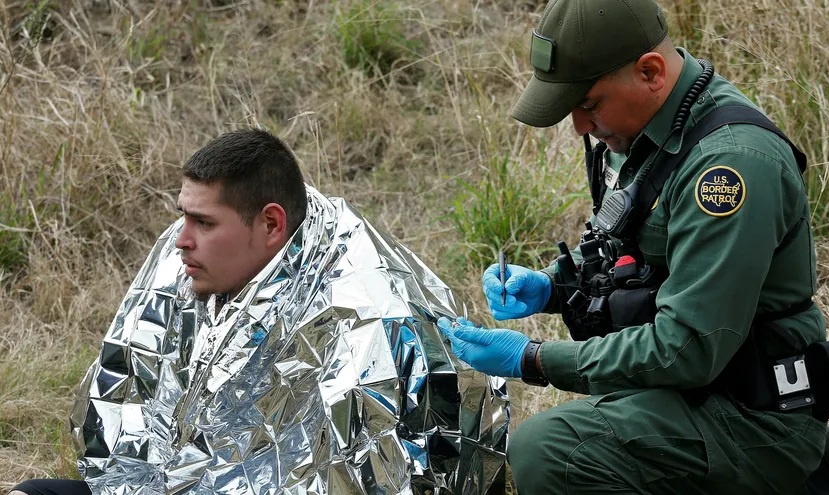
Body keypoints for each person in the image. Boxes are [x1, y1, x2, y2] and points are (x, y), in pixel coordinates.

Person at [438, 0, 829, 493]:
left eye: (589, 104)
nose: (577, 126)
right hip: (704, 390)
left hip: (754, 418)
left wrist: (533, 359)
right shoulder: (664, 127)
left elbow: (685, 349)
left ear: (651, 72)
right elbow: (642, 257)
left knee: (552, 451)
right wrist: (553, 287)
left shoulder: (730, 168)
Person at [12, 129, 509, 494]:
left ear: (271, 223)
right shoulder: (193, 256)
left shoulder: (365, 318)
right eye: (182, 216)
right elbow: (135, 393)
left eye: (203, 222)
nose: (181, 240)